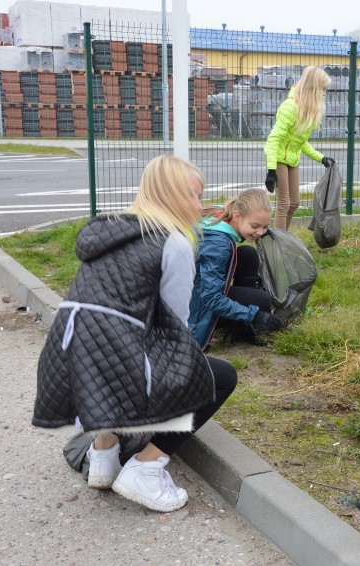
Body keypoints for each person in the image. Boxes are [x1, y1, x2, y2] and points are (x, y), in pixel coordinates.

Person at [33, 155, 238, 513]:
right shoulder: (173, 242)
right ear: (172, 196)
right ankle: (146, 467)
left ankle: (104, 455)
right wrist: (186, 375)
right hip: (111, 367)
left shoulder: (112, 231)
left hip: (67, 364)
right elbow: (176, 325)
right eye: (193, 195)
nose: (199, 205)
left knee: (116, 343)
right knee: (217, 376)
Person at [188, 188, 284, 348]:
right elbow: (210, 297)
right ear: (238, 216)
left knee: (247, 254)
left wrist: (255, 229)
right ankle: (240, 321)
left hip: (193, 291)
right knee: (261, 301)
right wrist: (253, 315)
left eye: (265, 226)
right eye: (255, 225)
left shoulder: (222, 217)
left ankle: (239, 328)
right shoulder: (218, 245)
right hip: (193, 310)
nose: (261, 232)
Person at [264, 65, 335, 230]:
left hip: (292, 160)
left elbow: (301, 142)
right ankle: (278, 246)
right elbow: (273, 140)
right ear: (313, 88)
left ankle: (284, 237)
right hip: (279, 159)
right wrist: (271, 170)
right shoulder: (289, 107)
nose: (325, 93)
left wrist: (321, 158)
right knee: (284, 204)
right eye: (323, 89)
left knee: (294, 203)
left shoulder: (307, 109)